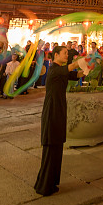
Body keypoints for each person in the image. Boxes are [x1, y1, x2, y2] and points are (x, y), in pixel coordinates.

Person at [34, 45, 79, 196]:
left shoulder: (62, 70)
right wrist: (84, 60)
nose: (67, 55)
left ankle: (51, 183)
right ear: (56, 55)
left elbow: (76, 75)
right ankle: (44, 186)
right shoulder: (54, 69)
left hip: (59, 109)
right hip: (52, 111)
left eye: (67, 53)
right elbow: (71, 67)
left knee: (57, 147)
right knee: (51, 147)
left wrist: (90, 67)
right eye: (65, 53)